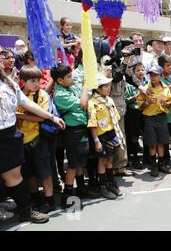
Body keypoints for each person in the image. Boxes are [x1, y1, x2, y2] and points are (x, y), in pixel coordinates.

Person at [0, 53, 65, 223]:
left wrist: (51, 117)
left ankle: (26, 211)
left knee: (15, 176)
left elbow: (28, 104)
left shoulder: (9, 84)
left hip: (9, 136)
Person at [16, 66, 57, 214]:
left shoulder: (42, 95)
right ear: (22, 82)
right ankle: (36, 197)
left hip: (38, 140)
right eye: (32, 81)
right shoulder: (18, 96)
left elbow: (42, 116)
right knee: (29, 173)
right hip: (21, 141)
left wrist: (20, 116)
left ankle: (49, 199)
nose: (36, 83)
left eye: (38, 80)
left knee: (44, 172)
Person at [51, 64, 91, 208]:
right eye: (68, 76)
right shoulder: (60, 94)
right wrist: (86, 85)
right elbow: (82, 103)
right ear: (59, 80)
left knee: (79, 160)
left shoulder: (69, 87)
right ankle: (67, 195)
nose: (71, 78)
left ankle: (81, 189)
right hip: (72, 131)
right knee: (73, 164)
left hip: (80, 128)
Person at [88, 74, 124, 200]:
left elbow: (115, 117)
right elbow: (92, 124)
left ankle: (111, 183)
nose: (108, 88)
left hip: (111, 133)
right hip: (101, 136)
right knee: (102, 161)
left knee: (110, 160)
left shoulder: (109, 100)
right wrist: (96, 141)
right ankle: (103, 186)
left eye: (109, 86)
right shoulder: (92, 103)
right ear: (97, 88)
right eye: (105, 86)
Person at [137, 65, 171, 177]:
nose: (153, 77)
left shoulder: (165, 88)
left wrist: (166, 104)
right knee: (152, 143)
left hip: (161, 117)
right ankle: (153, 165)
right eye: (151, 75)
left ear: (161, 76)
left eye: (156, 75)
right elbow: (140, 105)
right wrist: (147, 103)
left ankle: (161, 164)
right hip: (149, 118)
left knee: (161, 142)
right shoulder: (145, 88)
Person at [124, 62, 146, 170]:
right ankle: (134, 157)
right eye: (138, 70)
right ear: (133, 73)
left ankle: (147, 157)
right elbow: (126, 100)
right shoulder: (129, 85)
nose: (140, 72)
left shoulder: (147, 83)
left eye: (142, 70)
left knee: (146, 134)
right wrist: (135, 97)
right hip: (133, 113)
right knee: (134, 136)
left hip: (145, 111)